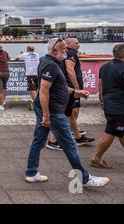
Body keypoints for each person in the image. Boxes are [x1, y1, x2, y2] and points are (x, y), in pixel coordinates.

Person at [25, 38, 109, 188]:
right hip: (53, 112)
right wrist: (46, 115)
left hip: (46, 109)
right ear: (54, 50)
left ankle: (31, 173)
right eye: (64, 49)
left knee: (38, 140)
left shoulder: (47, 60)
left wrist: (76, 92)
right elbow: (43, 91)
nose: (66, 52)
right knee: (70, 144)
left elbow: (58, 87)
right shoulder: (50, 65)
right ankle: (84, 178)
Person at [90, 43, 124, 169]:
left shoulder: (104, 67)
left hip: (109, 104)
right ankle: (96, 158)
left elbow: (100, 85)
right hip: (119, 107)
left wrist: (102, 101)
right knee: (111, 132)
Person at [47, 37, 94, 150]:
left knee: (70, 113)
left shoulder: (68, 53)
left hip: (69, 88)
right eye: (76, 43)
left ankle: (73, 135)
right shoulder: (71, 53)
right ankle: (55, 140)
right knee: (67, 114)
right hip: (70, 88)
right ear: (68, 44)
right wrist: (77, 87)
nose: (79, 45)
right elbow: (69, 69)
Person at [16, 46, 39, 111]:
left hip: (30, 74)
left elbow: (17, 58)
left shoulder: (25, 54)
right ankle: (32, 100)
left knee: (32, 88)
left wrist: (21, 54)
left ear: (27, 49)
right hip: (37, 73)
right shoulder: (37, 54)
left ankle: (36, 105)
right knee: (35, 88)